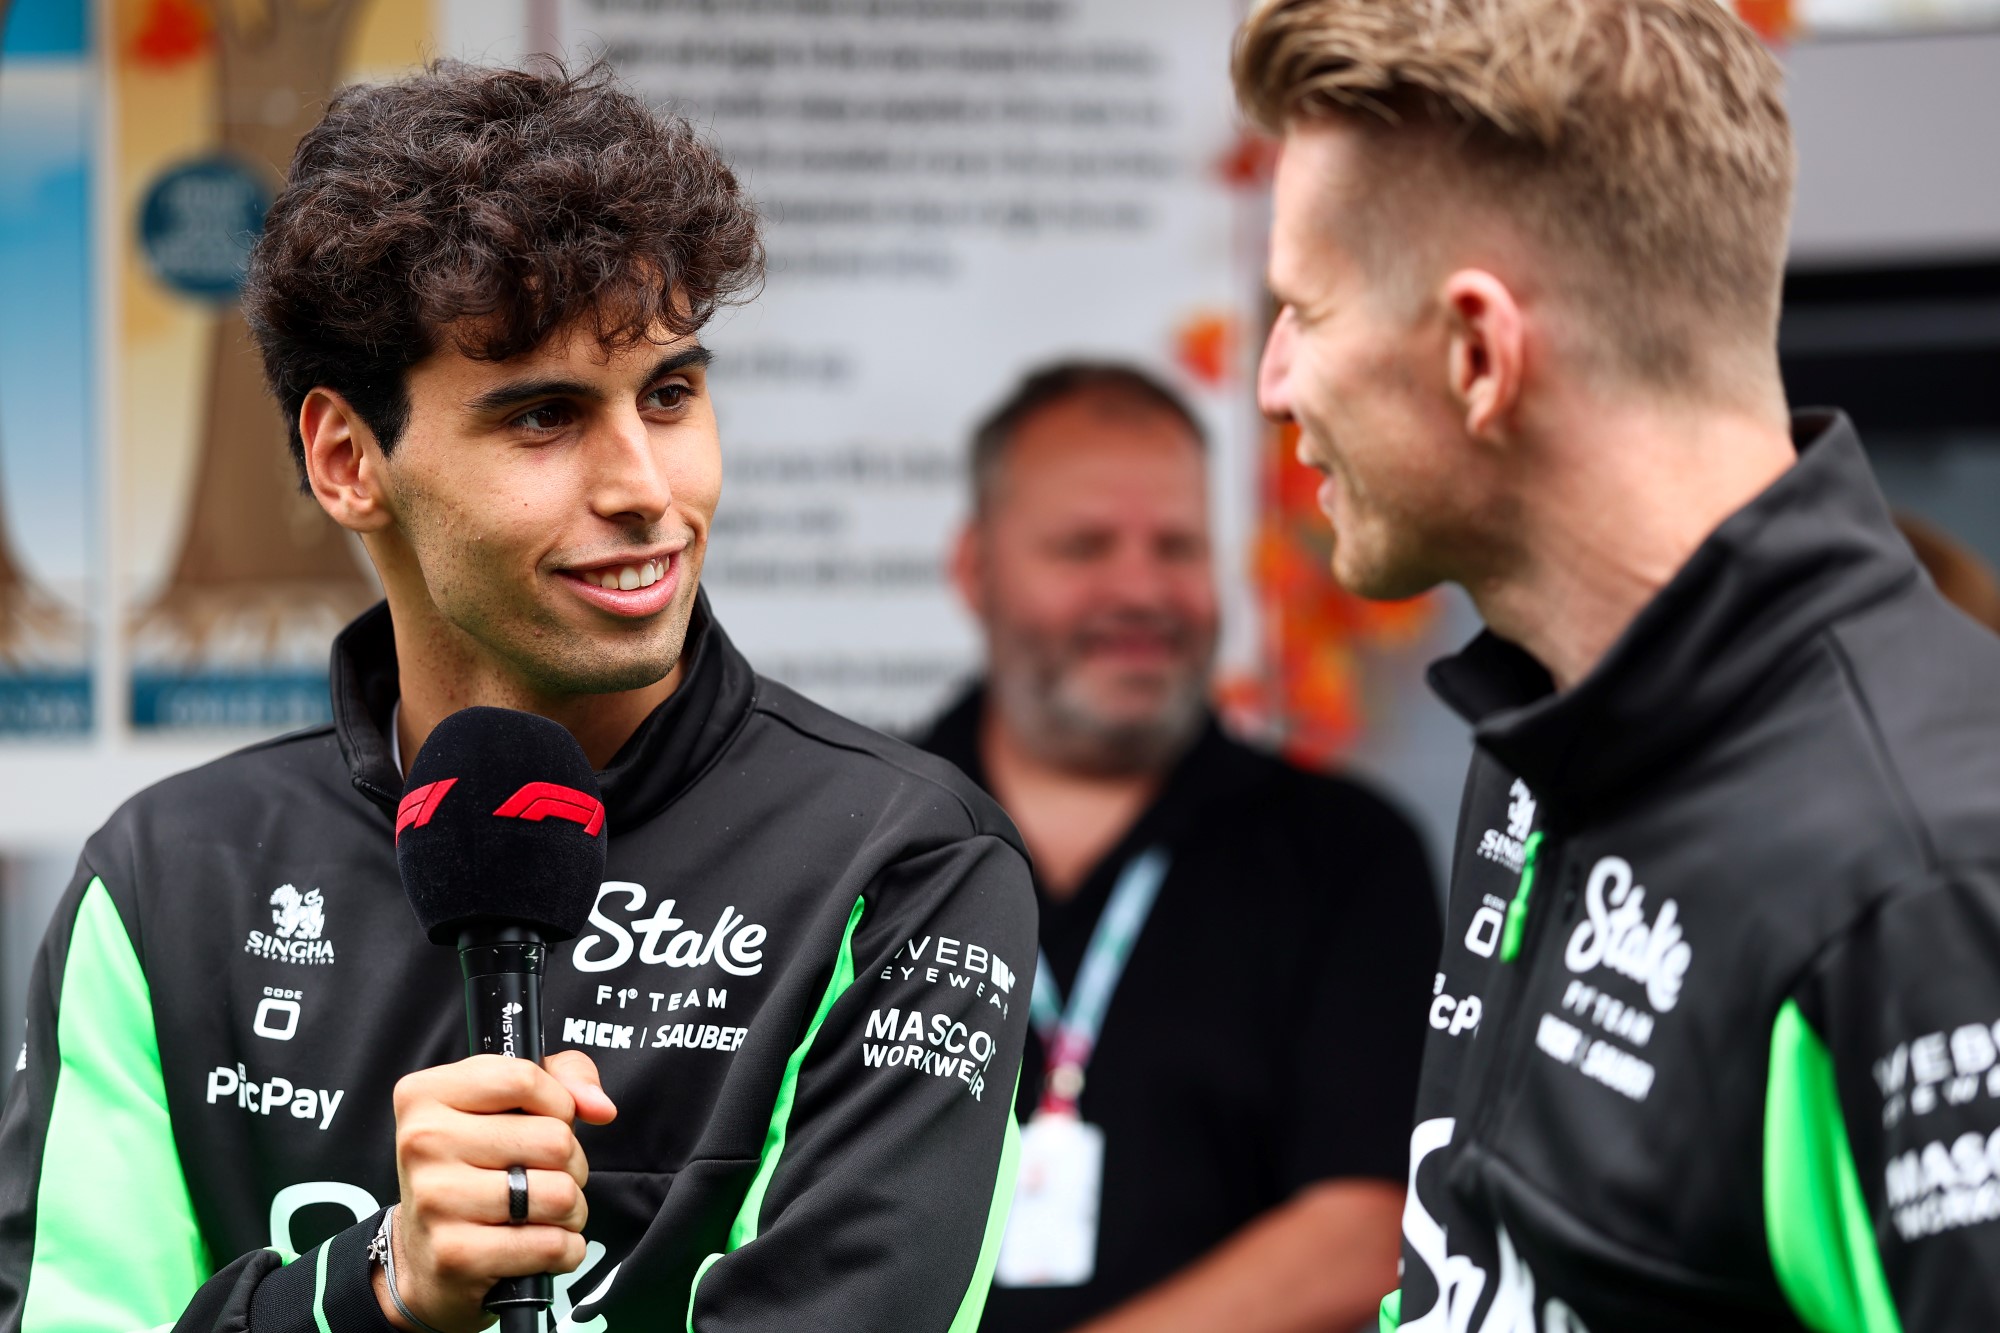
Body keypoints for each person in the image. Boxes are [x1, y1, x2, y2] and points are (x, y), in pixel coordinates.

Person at [0, 61, 1035, 1333]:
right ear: (346, 461)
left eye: (669, 392)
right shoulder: (167, 879)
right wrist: (366, 1291)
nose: (644, 485)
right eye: (543, 418)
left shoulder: (907, 866)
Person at [1237, 0, 2000, 1328]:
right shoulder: (1551, 728)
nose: (1272, 379)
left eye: (1303, 307)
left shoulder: (1920, 873)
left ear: (1479, 356)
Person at [915, 361, 1441, 1333]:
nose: (1138, 590)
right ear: (972, 569)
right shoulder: (853, 841)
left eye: (1176, 546)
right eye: (1082, 547)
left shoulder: (1347, 856)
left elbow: (1373, 1228)